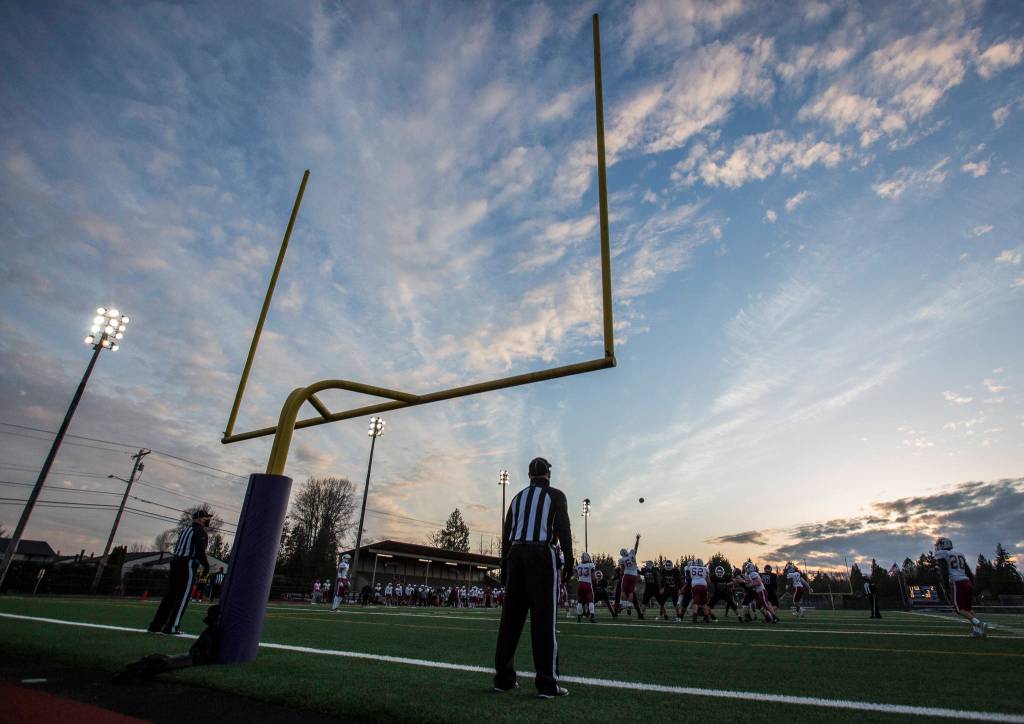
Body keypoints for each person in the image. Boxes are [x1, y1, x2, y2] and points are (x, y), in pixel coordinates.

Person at [493, 457, 573, 699]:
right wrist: (569, 560)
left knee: (510, 620)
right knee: (544, 620)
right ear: (548, 473)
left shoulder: (517, 498)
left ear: (529, 475)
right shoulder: (556, 495)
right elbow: (564, 529)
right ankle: (547, 684)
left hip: (516, 554)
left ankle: (503, 679)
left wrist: (504, 566)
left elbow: (506, 534)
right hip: (541, 554)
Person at [148, 508, 212, 635]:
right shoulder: (200, 532)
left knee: (170, 596)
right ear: (199, 518)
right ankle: (172, 626)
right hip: (187, 564)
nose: (207, 520)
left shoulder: (185, 530)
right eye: (205, 518)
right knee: (182, 596)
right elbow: (199, 551)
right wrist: (206, 566)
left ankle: (156, 625)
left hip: (175, 562)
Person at [934, 537, 988, 637]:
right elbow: (968, 571)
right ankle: (978, 631)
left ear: (942, 545)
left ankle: (978, 623)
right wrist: (972, 584)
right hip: (967, 581)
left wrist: (946, 587)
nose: (937, 547)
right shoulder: (959, 553)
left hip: (957, 582)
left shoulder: (942, 554)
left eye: (938, 545)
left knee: (959, 609)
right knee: (968, 608)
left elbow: (944, 572)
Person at [618, 537, 643, 619]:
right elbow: (636, 547)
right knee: (631, 592)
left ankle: (621, 604)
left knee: (623, 590)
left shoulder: (622, 560)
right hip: (634, 575)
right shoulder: (632, 554)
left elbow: (622, 570)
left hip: (627, 575)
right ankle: (629, 605)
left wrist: (621, 576)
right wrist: (637, 540)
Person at [686, 558, 716, 623]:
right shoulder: (705, 569)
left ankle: (694, 618)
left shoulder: (691, 567)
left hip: (695, 585)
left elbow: (688, 576)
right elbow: (708, 580)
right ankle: (707, 618)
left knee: (695, 602)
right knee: (704, 603)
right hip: (703, 586)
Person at [575, 552, 596, 623]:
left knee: (580, 602)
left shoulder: (579, 566)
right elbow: (593, 577)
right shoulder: (591, 565)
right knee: (591, 601)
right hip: (588, 584)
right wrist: (595, 580)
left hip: (580, 584)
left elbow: (576, 576)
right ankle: (592, 617)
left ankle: (579, 617)